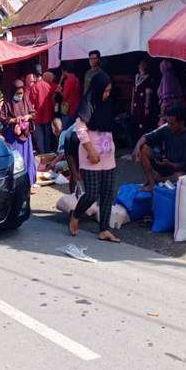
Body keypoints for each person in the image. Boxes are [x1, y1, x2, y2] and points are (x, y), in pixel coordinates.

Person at [69, 71, 120, 243]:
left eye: (109, 91)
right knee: (91, 193)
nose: (107, 94)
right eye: (104, 91)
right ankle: (76, 215)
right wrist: (90, 150)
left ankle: (104, 229)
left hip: (108, 156)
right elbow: (80, 128)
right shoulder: (87, 104)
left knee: (107, 193)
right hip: (90, 155)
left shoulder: (107, 104)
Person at [132, 106, 186, 191]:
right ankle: (152, 183)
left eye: (172, 123)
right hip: (165, 164)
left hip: (178, 170)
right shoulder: (166, 128)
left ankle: (159, 179)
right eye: (168, 122)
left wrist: (170, 164)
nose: (169, 126)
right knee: (143, 148)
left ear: (181, 123)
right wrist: (136, 148)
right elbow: (146, 137)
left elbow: (185, 165)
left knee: (179, 176)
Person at [0, 79, 37, 188]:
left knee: (27, 159)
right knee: (16, 159)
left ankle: (29, 182)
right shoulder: (7, 103)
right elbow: (2, 118)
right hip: (13, 137)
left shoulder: (25, 100)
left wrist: (28, 117)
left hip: (25, 135)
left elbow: (33, 114)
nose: (19, 96)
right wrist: (15, 120)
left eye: (21, 93)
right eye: (17, 94)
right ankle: (16, 184)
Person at [129, 59, 159, 144]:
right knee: (135, 123)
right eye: (140, 65)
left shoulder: (148, 78)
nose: (141, 67)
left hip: (143, 104)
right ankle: (135, 143)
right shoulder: (136, 77)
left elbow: (148, 94)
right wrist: (131, 105)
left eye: (143, 65)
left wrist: (147, 107)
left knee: (143, 123)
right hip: (136, 104)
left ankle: (143, 144)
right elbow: (133, 92)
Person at [29, 70, 56, 153]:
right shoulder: (49, 85)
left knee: (39, 137)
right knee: (48, 136)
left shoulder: (34, 87)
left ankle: (42, 153)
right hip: (49, 114)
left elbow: (31, 102)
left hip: (38, 116)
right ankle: (48, 153)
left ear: (34, 76)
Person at [55, 63, 81, 128]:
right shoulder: (76, 79)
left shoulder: (68, 80)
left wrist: (59, 91)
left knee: (65, 128)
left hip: (68, 108)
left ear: (64, 71)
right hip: (76, 106)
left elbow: (64, 96)